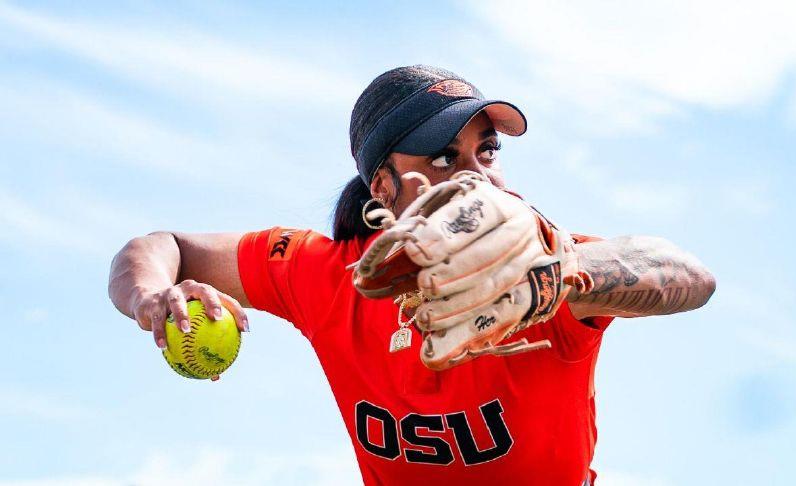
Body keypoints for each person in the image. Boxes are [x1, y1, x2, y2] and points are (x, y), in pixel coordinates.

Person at [108, 65, 716, 485]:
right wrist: (153, 295)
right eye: (444, 155)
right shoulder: (324, 271)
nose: (478, 174)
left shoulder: (538, 256)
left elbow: (689, 275)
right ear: (382, 186)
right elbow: (160, 245)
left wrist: (561, 274)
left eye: (488, 150)